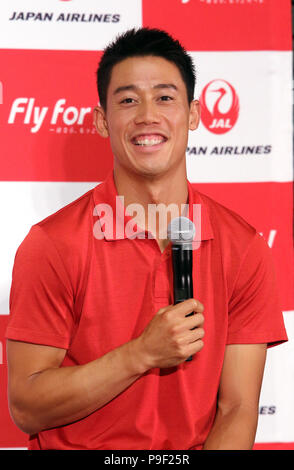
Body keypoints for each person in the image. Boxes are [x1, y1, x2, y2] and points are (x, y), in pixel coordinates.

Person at [6, 28, 287, 450]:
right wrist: (142, 353)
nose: (147, 116)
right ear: (103, 121)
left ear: (193, 114)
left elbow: (238, 409)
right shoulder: (52, 244)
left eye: (165, 97)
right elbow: (27, 408)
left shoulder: (243, 247)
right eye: (128, 100)